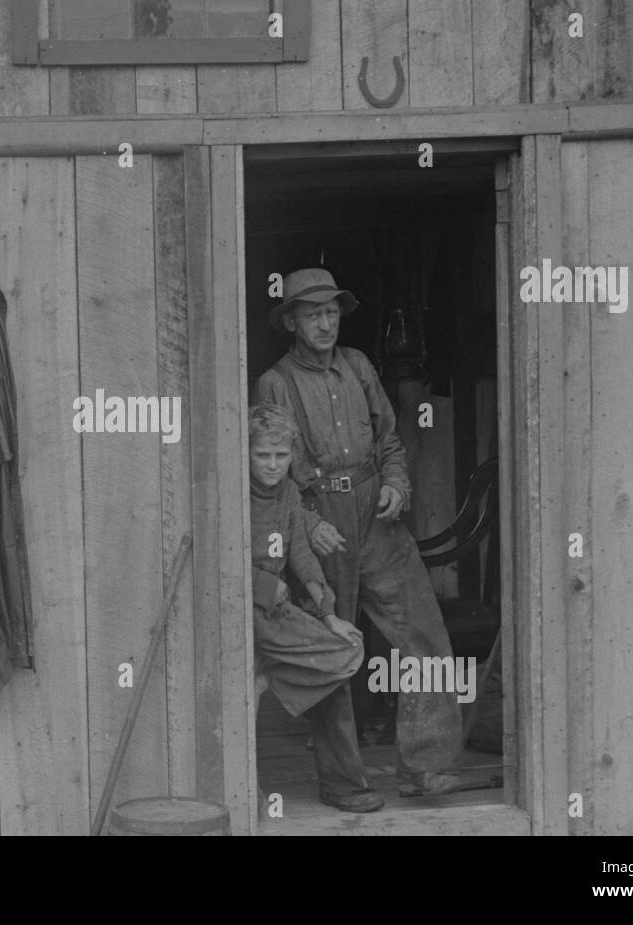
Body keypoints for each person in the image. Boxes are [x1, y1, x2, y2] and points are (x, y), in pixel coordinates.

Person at [253, 267, 462, 811]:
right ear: (292, 321)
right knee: (334, 648)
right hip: (321, 520)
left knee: (425, 632)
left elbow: (391, 439)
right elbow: (275, 470)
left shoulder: (359, 365)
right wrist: (307, 521)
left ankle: (429, 765)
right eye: (312, 313)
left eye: (331, 312)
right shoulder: (276, 381)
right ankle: (346, 784)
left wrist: (396, 482)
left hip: (376, 514)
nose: (324, 323)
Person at [247, 402, 373, 810]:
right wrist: (266, 586)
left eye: (281, 456)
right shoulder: (234, 493)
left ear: (292, 457)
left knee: (346, 649)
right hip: (242, 608)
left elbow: (300, 554)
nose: (271, 465)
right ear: (245, 453)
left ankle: (268, 684)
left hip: (276, 610)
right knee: (239, 696)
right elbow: (223, 559)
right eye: (262, 455)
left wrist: (328, 612)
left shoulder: (287, 494)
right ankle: (247, 790)